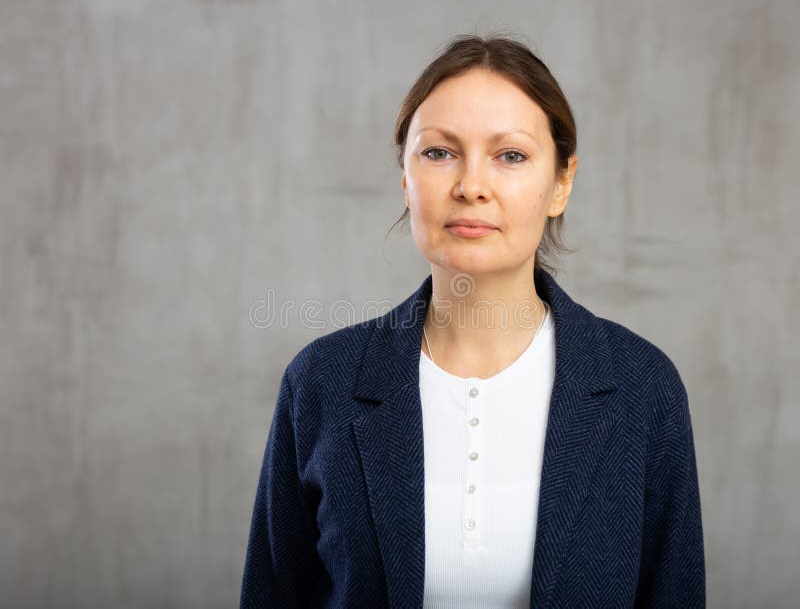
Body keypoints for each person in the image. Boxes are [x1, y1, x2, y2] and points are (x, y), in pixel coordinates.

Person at [240, 34, 705, 608]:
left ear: (561, 181)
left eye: (510, 156)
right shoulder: (321, 383)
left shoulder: (641, 386)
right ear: (405, 178)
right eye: (439, 153)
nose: (471, 187)